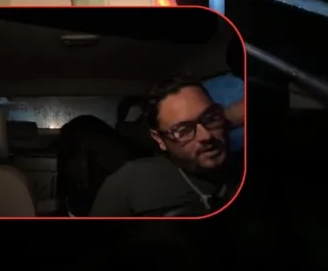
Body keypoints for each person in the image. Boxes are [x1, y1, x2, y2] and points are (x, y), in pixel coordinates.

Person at [88, 77, 245, 217]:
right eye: (183, 131)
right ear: (160, 140)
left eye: (210, 118)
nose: (206, 136)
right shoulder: (128, 183)